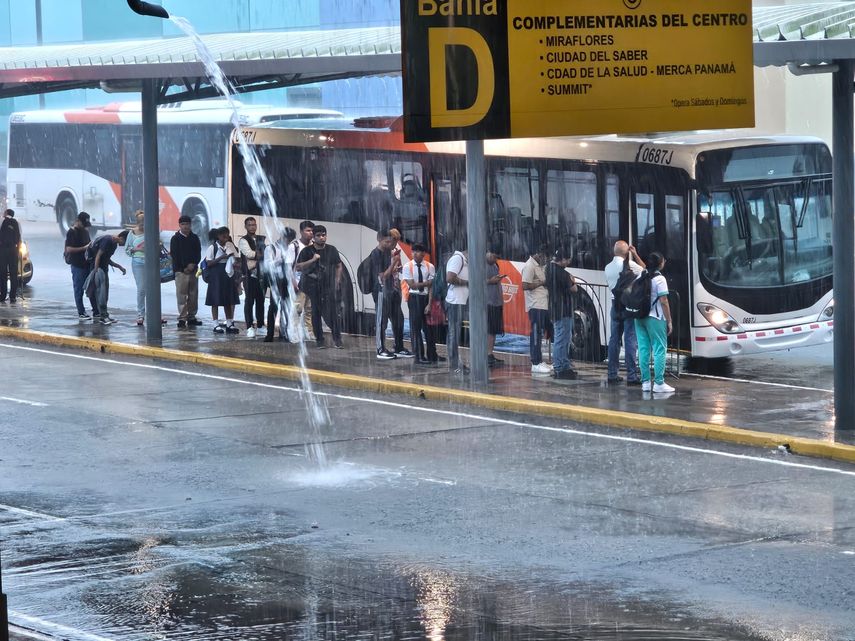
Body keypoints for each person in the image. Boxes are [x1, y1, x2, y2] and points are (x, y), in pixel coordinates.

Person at [295, 224, 344, 349]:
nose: (322, 238)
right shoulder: (307, 251)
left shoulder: (331, 249)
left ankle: (337, 340)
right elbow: (298, 267)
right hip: (312, 286)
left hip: (328, 286)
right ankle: (320, 340)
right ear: (313, 237)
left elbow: (339, 265)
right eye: (318, 235)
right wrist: (312, 260)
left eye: (324, 235)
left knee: (333, 313)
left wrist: (337, 281)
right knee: (315, 313)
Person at [604, 241, 645, 385]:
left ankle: (612, 374)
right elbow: (645, 270)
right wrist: (635, 254)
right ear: (626, 252)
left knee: (614, 340)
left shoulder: (607, 267)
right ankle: (632, 376)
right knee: (630, 340)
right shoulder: (630, 265)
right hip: (628, 307)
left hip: (615, 306)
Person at [634, 251, 675, 394]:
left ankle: (645, 382)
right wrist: (669, 321)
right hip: (655, 317)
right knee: (659, 349)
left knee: (643, 349)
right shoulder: (660, 279)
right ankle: (659, 383)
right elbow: (664, 301)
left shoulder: (642, 274)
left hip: (639, 317)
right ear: (660, 263)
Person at [369, 229, 412, 360]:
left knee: (398, 318)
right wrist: (394, 262)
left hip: (393, 289)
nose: (391, 244)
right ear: (380, 240)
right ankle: (380, 348)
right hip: (382, 290)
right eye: (388, 241)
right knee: (382, 320)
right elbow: (382, 277)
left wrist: (396, 266)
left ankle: (398, 346)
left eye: (392, 241)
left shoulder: (389, 252)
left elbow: (392, 271)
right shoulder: (375, 254)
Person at [125, 210, 166, 326]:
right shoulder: (132, 233)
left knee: (153, 289)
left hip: (151, 263)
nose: (143, 226)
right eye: (141, 224)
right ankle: (140, 315)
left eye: (145, 223)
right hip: (138, 263)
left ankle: (156, 314)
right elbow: (127, 250)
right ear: (138, 223)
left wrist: (158, 245)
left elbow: (159, 245)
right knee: (142, 289)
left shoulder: (152, 231)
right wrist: (137, 249)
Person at [545, 246, 578, 380]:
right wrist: (573, 280)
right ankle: (560, 367)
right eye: (568, 260)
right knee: (562, 339)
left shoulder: (548, 268)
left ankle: (563, 365)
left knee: (562, 338)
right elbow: (574, 288)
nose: (568, 263)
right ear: (563, 260)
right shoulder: (562, 273)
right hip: (563, 310)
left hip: (554, 308)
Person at [402, 242, 437, 365]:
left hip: (425, 297)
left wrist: (429, 303)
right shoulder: (407, 266)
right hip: (414, 298)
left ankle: (432, 354)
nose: (415, 254)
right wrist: (426, 283)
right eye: (413, 251)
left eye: (418, 251)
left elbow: (432, 287)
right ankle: (419, 356)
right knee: (415, 327)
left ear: (423, 254)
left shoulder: (429, 266)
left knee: (429, 328)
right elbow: (412, 285)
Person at [86, 229, 129, 325]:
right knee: (101, 294)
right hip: (98, 269)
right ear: (121, 238)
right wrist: (95, 271)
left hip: (104, 269)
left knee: (105, 294)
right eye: (126, 242)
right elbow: (98, 256)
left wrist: (119, 267)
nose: (125, 245)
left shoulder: (113, 244)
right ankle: (102, 316)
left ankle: (105, 315)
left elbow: (107, 259)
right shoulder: (107, 240)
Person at [204, 227, 241, 334]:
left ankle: (229, 322)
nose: (225, 238)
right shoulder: (213, 247)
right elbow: (209, 263)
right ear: (218, 236)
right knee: (215, 300)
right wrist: (222, 257)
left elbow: (237, 259)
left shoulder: (230, 245)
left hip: (228, 275)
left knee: (228, 300)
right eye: (223, 236)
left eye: (227, 235)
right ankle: (215, 324)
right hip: (216, 274)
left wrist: (234, 259)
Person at [521, 245, 551, 375]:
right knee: (535, 333)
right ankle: (535, 362)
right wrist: (541, 283)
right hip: (535, 305)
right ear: (539, 255)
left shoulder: (540, 266)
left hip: (543, 304)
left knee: (540, 333)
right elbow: (525, 285)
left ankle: (540, 360)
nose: (546, 261)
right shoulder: (529, 266)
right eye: (545, 258)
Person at [263, 227, 296, 343]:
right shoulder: (271, 248)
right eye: (287, 240)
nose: (288, 242)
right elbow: (267, 265)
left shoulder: (290, 249)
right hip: (276, 280)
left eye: (290, 240)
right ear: (282, 237)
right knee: (274, 306)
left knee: (286, 306)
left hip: (286, 280)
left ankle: (284, 332)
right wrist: (280, 260)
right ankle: (270, 334)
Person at [170, 214, 202, 329]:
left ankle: (192, 317)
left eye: (187, 224)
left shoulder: (194, 238)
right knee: (181, 295)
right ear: (179, 225)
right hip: (181, 272)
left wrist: (193, 264)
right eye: (183, 224)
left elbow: (198, 253)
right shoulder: (175, 239)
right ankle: (182, 318)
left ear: (190, 225)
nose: (185, 226)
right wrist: (184, 267)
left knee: (193, 295)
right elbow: (174, 255)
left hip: (193, 271)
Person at [286, 220, 314, 341]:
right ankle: (293, 332)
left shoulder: (313, 245)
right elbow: (288, 266)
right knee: (297, 308)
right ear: (301, 232)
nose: (310, 233)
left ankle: (309, 332)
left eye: (312, 230)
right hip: (298, 281)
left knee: (309, 309)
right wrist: (292, 282)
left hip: (311, 281)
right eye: (308, 230)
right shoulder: (294, 246)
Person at [238, 216, 267, 338]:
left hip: (261, 274)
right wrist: (260, 254)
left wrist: (261, 255)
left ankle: (260, 326)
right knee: (249, 301)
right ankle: (249, 326)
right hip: (249, 275)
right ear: (245, 226)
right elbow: (249, 254)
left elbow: (266, 253)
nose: (252, 227)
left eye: (254, 224)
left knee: (261, 300)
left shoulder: (261, 238)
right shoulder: (243, 240)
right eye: (249, 225)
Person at [65, 211, 93, 319]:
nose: (85, 227)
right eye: (83, 224)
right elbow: (69, 249)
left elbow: (89, 244)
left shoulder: (85, 231)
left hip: (87, 264)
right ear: (78, 221)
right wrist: (84, 248)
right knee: (79, 289)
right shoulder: (72, 232)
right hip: (77, 265)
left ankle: (95, 310)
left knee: (91, 287)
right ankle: (81, 312)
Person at [445, 247, 469, 375]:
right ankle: (454, 364)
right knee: (453, 333)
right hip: (454, 302)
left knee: (455, 333)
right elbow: (450, 278)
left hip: (460, 301)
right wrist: (467, 283)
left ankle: (456, 362)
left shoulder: (464, 261)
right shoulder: (457, 259)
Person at [485, 248, 505, 367]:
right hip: (487, 302)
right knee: (488, 329)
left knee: (493, 330)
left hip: (496, 301)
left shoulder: (495, 264)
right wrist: (490, 281)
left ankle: (489, 354)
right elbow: (474, 281)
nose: (495, 259)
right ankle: (486, 354)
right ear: (488, 252)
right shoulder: (480, 264)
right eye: (494, 256)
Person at [0, 208, 21, 303]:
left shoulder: (4, 222)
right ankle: (13, 296)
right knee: (13, 274)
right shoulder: (16, 223)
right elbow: (18, 237)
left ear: (7, 213)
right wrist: (17, 250)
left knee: (3, 273)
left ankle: (3, 295)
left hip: (4, 250)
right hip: (13, 250)